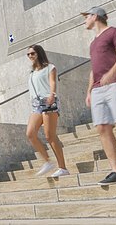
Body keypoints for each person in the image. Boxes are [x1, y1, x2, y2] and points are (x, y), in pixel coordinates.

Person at [83, 6, 116, 184]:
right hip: (98, 89)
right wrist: (89, 91)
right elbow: (93, 69)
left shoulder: (115, 33)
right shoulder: (93, 43)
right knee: (102, 127)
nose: (84, 20)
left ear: (95, 16)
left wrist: (111, 74)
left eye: (86, 16)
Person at [25, 44, 69, 177]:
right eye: (28, 54)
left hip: (48, 102)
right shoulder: (32, 72)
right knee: (30, 133)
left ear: (39, 53)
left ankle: (63, 168)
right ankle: (47, 162)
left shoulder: (50, 67)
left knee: (50, 135)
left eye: (32, 53)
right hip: (36, 105)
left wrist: (52, 94)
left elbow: (52, 82)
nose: (30, 56)